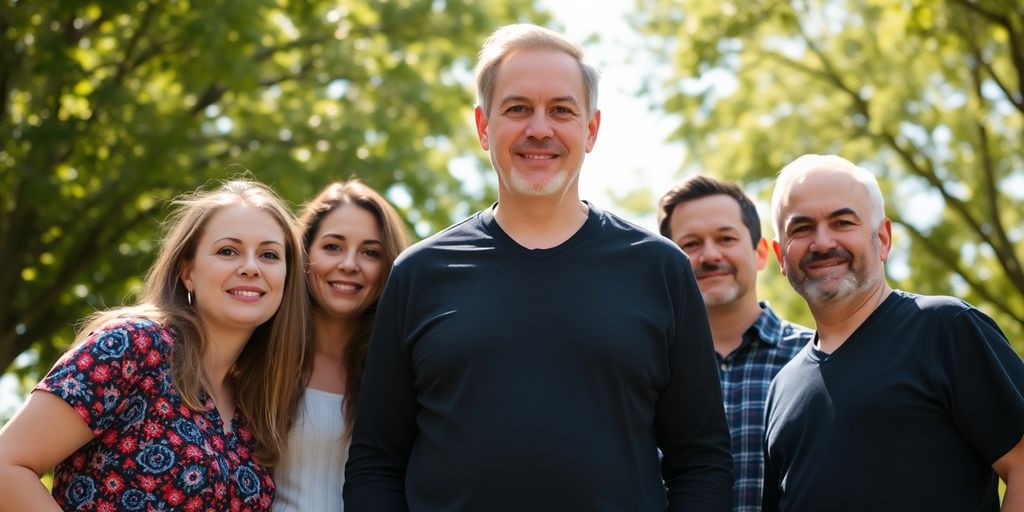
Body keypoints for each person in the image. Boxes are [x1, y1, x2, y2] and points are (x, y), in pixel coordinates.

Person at [343, 23, 732, 511]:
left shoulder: (661, 270)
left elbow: (702, 463)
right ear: (484, 127)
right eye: (518, 108)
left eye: (562, 110)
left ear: (590, 130)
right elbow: (376, 463)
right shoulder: (419, 273)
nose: (540, 129)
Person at [0, 179, 309, 511]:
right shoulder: (131, 346)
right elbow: (7, 466)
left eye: (269, 255)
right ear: (187, 272)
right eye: (228, 251)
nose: (251, 267)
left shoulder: (254, 403)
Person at [762, 154, 1024, 511]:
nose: (822, 243)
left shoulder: (946, 329)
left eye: (842, 222)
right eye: (802, 228)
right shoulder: (782, 387)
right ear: (780, 255)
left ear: (883, 238)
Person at [657, 176, 811, 512]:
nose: (710, 255)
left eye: (726, 238)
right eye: (691, 244)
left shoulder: (818, 360)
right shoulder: (645, 370)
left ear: (760, 253)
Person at [273, 180, 409, 511]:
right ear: (304, 254)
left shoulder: (406, 372)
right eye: (333, 247)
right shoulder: (258, 356)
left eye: (370, 252)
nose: (349, 264)